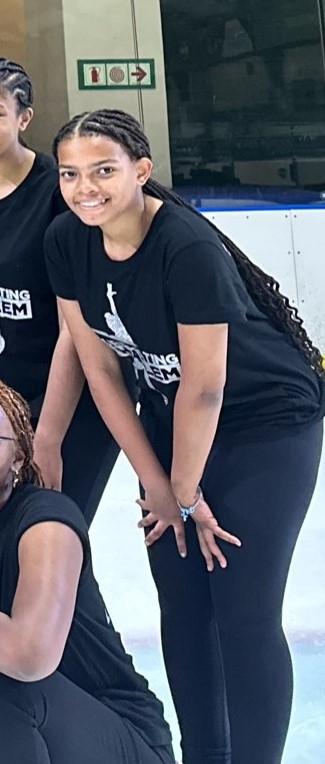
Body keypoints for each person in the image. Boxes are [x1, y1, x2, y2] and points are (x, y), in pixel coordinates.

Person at [46, 108, 325, 763]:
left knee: (241, 611)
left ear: (141, 170)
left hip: (264, 424)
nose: (85, 187)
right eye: (69, 174)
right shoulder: (66, 240)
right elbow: (99, 369)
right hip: (172, 425)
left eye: (103, 171)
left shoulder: (183, 246)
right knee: (183, 605)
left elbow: (205, 386)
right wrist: (156, 485)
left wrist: (184, 489)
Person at [0, 376, 174, 764]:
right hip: (17, 727)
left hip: (117, 737)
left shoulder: (47, 522)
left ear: (19, 458)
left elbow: (30, 654)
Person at [0, 57, 118, 522]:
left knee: (55, 536)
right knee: (3, 542)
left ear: (24, 117)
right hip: (0, 404)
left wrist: (49, 436)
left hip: (72, 404)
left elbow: (76, 332)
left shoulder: (56, 195)